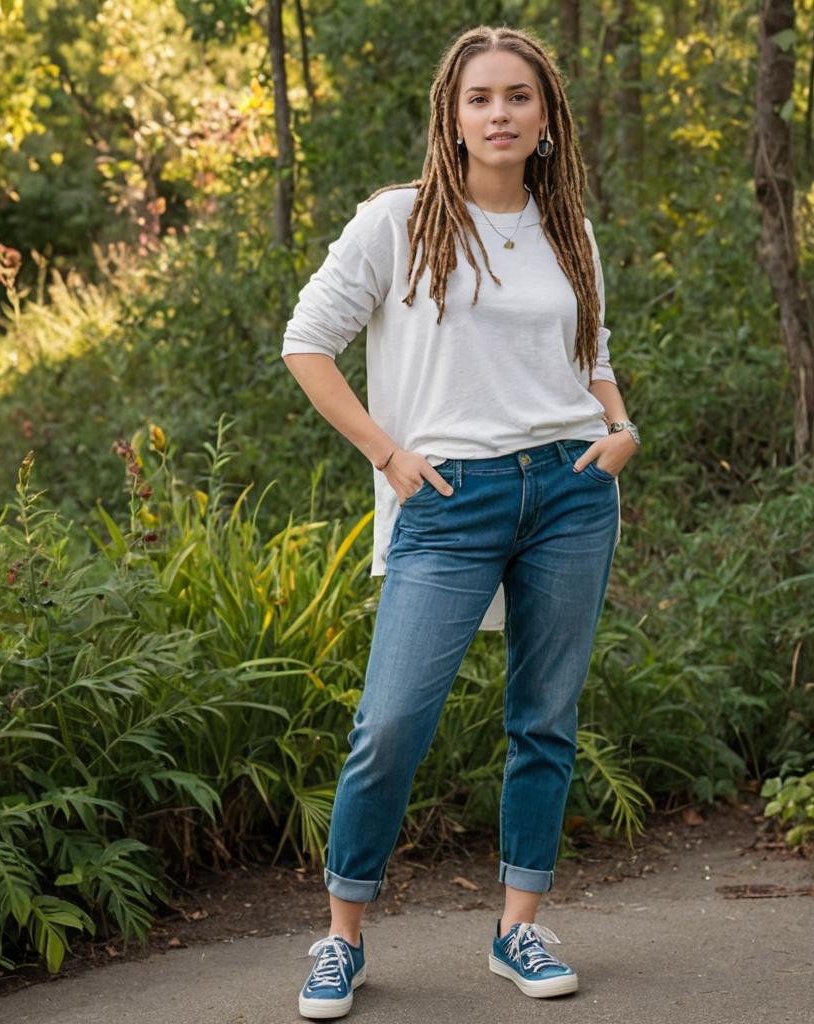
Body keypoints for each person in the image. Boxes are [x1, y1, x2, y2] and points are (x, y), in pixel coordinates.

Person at [280, 24, 640, 1019]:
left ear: (545, 115)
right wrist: (388, 455)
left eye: (517, 96)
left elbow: (591, 348)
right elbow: (307, 343)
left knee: (544, 721)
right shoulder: (395, 222)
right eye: (480, 97)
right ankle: (342, 936)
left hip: (571, 490)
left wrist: (619, 427)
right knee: (389, 724)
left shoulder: (564, 222)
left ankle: (517, 926)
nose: (499, 114)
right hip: (445, 495)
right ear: (449, 113)